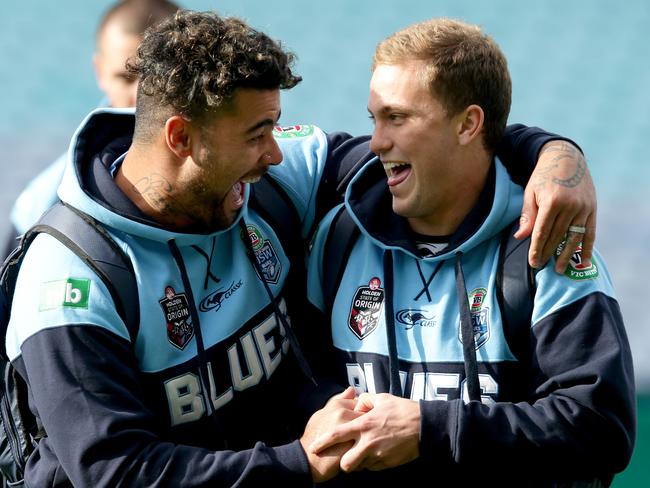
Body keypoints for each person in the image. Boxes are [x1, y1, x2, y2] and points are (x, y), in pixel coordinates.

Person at [6, 10, 600, 487]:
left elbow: (435, 154)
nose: (274, 153)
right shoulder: (71, 276)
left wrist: (555, 157)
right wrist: (299, 465)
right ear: (180, 137)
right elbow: (114, 472)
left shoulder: (267, 185)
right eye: (256, 134)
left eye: (274, 127)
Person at [305, 18, 635, 486]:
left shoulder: (543, 247)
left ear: (468, 124)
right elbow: (298, 387)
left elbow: (601, 429)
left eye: (397, 118)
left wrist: (428, 428)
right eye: (374, 119)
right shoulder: (338, 238)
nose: (377, 141)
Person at [5, 0, 180, 256]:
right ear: (100, 72)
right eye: (126, 77)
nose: (142, 95)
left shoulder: (248, 165)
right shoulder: (42, 203)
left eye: (156, 76)